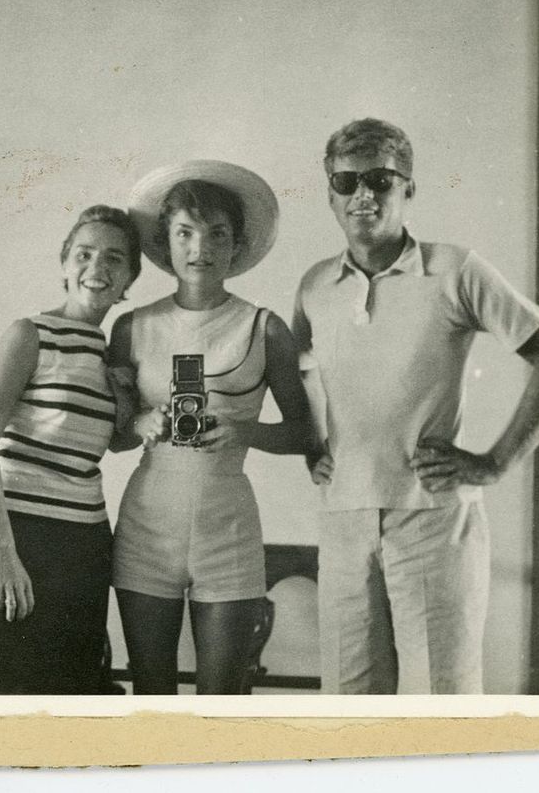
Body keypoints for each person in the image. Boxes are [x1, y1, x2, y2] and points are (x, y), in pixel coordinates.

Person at [292, 118, 539, 695]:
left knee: (444, 701)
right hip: (344, 519)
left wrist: (497, 461)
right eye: (347, 181)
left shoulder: (456, 270)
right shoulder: (315, 285)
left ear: (409, 189)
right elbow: (298, 372)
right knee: (348, 706)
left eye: (382, 180)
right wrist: (314, 446)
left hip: (432, 518)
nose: (363, 195)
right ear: (329, 191)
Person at [109, 160, 314, 695]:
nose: (200, 248)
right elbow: (116, 438)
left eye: (217, 233)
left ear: (237, 244)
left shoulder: (264, 328)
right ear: (166, 242)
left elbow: (303, 435)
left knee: (223, 699)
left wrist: (245, 432)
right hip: (147, 527)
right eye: (185, 233)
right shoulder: (132, 326)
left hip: (229, 528)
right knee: (152, 693)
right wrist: (140, 419)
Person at [0, 205, 142, 694]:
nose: (97, 269)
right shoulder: (30, 334)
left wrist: (130, 402)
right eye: (84, 254)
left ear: (130, 277)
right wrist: (3, 551)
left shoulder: (113, 353)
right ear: (65, 263)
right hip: (15, 534)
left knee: (69, 697)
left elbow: (112, 443)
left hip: (83, 544)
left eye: (114, 259)